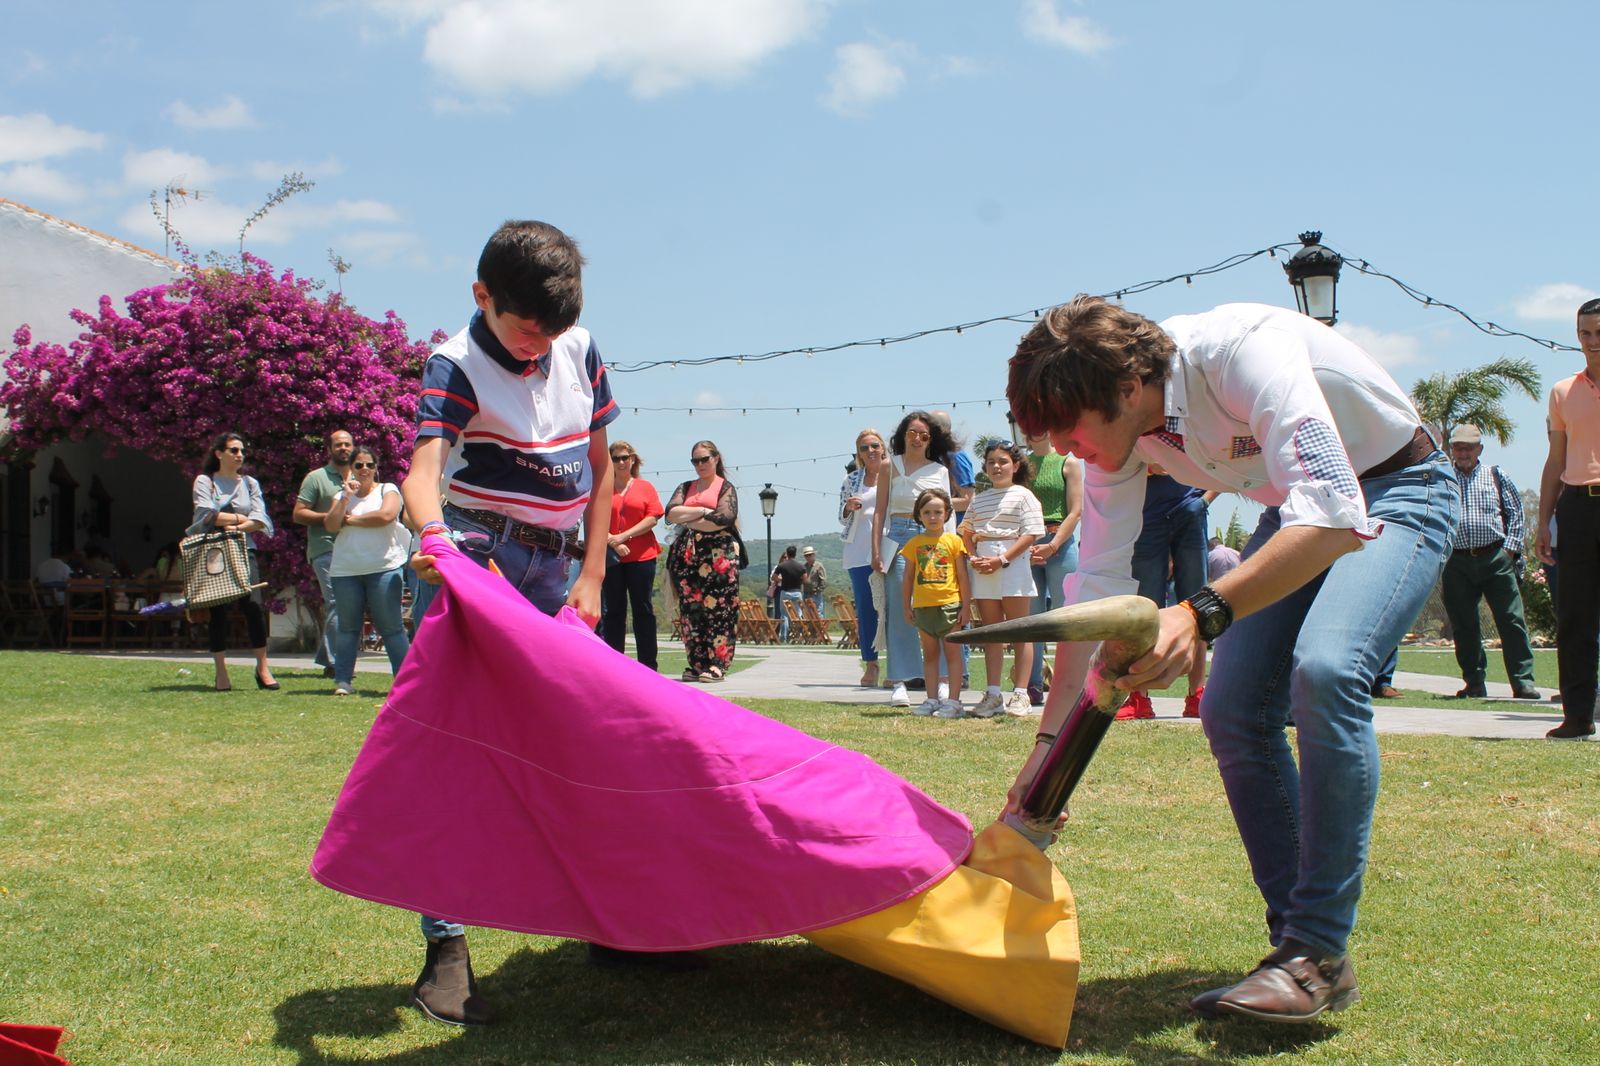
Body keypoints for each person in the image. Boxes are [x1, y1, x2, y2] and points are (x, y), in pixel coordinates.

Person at [1008, 296, 1457, 1024]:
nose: (1060, 447)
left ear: (1126, 389)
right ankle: (1304, 955)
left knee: (1328, 670)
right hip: (1295, 510)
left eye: (1067, 425)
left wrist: (1198, 611)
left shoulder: (1241, 352)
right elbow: (1098, 595)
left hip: (1396, 488)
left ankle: (1314, 949)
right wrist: (1043, 758)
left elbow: (1336, 512)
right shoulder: (1121, 443)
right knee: (1232, 709)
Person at [400, 219, 618, 1026]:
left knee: (582, 746)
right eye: (529, 329)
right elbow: (423, 474)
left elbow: (599, 470)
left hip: (560, 572)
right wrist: (434, 543)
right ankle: (445, 949)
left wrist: (592, 576)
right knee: (456, 754)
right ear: (482, 297)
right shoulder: (453, 365)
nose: (541, 347)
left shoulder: (579, 347)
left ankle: (612, 921)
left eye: (554, 331)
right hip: (477, 565)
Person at [1534, 298, 1600, 740]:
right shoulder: (1562, 391)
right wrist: (1543, 521)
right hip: (1577, 508)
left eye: (1599, 333)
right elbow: (1555, 459)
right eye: (1586, 334)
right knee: (1575, 616)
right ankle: (1577, 716)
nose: (1593, 343)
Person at [1439, 424, 1540, 701]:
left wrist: (1509, 551)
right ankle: (1473, 682)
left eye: (1468, 448)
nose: (1463, 453)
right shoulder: (1443, 478)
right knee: (1464, 624)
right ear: (1452, 450)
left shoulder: (1496, 475)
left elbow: (1515, 515)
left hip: (1495, 557)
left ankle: (1523, 682)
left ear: (1479, 449)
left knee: (1511, 620)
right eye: (1458, 448)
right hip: (1456, 561)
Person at [871, 411, 956, 707]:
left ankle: (943, 680)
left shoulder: (939, 470)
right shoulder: (888, 466)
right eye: (912, 432)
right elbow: (879, 510)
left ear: (931, 439)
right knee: (900, 609)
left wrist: (951, 547)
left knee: (937, 607)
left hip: (931, 537)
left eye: (924, 435)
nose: (917, 439)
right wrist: (875, 550)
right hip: (896, 536)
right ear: (902, 434)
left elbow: (947, 512)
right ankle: (901, 680)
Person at [960, 439, 1045, 717]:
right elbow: (967, 533)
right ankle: (993, 693)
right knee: (991, 631)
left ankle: (1021, 693)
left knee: (1020, 631)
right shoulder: (980, 498)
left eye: (1003, 461)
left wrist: (1002, 559)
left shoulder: (1023, 495)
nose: (996, 467)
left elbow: (1031, 533)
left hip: (1012, 561)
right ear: (984, 467)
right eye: (991, 462)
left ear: (1015, 465)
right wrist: (974, 558)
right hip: (984, 563)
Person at [1117, 470, 1210, 720]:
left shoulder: (1191, 428)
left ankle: (1198, 695)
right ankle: (1139, 698)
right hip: (1146, 514)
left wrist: (1204, 500)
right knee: (1146, 609)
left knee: (1197, 606)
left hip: (1190, 509)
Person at [190, 432, 279, 693]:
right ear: (219, 453)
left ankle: (263, 668)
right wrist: (242, 520)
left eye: (241, 450)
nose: (239, 455)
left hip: (244, 549)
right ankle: (221, 672)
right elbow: (206, 515)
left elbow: (261, 519)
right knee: (217, 608)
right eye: (233, 450)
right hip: (214, 551)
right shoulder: (205, 481)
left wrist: (231, 520)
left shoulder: (250, 483)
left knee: (253, 606)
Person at [324, 444, 412, 695]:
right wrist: (345, 498)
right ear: (350, 468)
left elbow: (385, 516)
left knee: (391, 627)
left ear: (376, 468)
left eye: (369, 465)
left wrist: (350, 520)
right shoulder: (342, 495)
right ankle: (343, 681)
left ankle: (404, 685)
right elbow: (330, 524)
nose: (364, 469)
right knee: (348, 627)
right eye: (358, 465)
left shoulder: (388, 489)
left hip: (383, 567)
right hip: (346, 570)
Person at [664, 440, 741, 681]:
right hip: (687, 555)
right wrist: (704, 512)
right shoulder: (685, 487)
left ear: (716, 458)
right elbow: (670, 513)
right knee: (691, 610)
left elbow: (724, 518)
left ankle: (718, 664)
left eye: (704, 459)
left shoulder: (725, 487)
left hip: (719, 556)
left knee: (719, 610)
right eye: (695, 461)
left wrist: (689, 517)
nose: (700, 465)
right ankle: (697, 663)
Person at [898, 488, 970, 718]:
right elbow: (908, 577)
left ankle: (954, 701)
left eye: (938, 511)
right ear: (919, 515)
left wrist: (966, 606)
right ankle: (931, 699)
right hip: (923, 607)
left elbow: (962, 576)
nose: (932, 516)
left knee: (953, 655)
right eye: (927, 512)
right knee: (929, 655)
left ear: (947, 514)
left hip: (950, 605)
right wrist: (906, 607)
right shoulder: (913, 544)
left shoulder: (954, 541)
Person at [1024, 430, 1083, 706]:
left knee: (1064, 617)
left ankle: (1067, 683)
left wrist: (1054, 544)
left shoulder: (1067, 462)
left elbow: (1076, 510)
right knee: (1031, 617)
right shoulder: (1021, 464)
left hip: (1060, 541)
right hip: (1027, 544)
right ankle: (1032, 683)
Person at [294, 428, 355, 678]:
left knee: (347, 605)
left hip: (355, 550)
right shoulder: (316, 478)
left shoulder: (361, 475)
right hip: (326, 548)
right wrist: (331, 517)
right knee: (337, 602)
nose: (343, 448)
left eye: (347, 444)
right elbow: (299, 513)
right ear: (329, 449)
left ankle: (326, 655)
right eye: (338, 445)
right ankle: (335, 663)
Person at [601, 440, 663, 671]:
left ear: (633, 459)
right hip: (612, 558)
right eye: (616, 458)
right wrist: (613, 542)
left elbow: (653, 516)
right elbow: (592, 518)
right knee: (614, 611)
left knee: (643, 610)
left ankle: (648, 666)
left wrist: (623, 536)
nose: (621, 462)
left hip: (642, 557)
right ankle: (614, 666)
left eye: (625, 457)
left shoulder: (645, 487)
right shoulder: (601, 487)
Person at [839, 428, 886, 686]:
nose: (871, 451)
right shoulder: (851, 481)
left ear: (883, 448)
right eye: (865, 448)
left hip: (890, 549)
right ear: (858, 454)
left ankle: (899, 667)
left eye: (875, 446)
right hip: (859, 552)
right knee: (867, 611)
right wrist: (848, 508)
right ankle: (871, 663)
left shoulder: (894, 476)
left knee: (894, 610)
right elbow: (840, 517)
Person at [771, 545, 805, 642]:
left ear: (787, 553)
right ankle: (798, 636)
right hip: (797, 592)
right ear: (795, 553)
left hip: (785, 591)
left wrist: (780, 581)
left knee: (784, 615)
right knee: (798, 614)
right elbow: (805, 578)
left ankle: (784, 637)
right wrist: (799, 582)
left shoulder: (782, 566)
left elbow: (774, 577)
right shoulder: (800, 566)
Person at [801, 546, 828, 617]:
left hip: (815, 593)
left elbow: (823, 580)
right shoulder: (804, 566)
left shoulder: (818, 566)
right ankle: (811, 628)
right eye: (806, 555)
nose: (808, 557)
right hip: (806, 593)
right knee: (808, 615)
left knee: (818, 613)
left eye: (810, 555)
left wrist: (818, 590)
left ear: (813, 555)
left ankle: (820, 628)